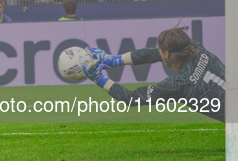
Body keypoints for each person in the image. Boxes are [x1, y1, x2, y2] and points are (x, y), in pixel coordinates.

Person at [84, 25, 225, 122]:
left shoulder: (178, 84)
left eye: (160, 49)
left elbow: (131, 98)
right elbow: (151, 54)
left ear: (166, 53)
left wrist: (98, 78)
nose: (157, 51)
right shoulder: (196, 48)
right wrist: (114, 60)